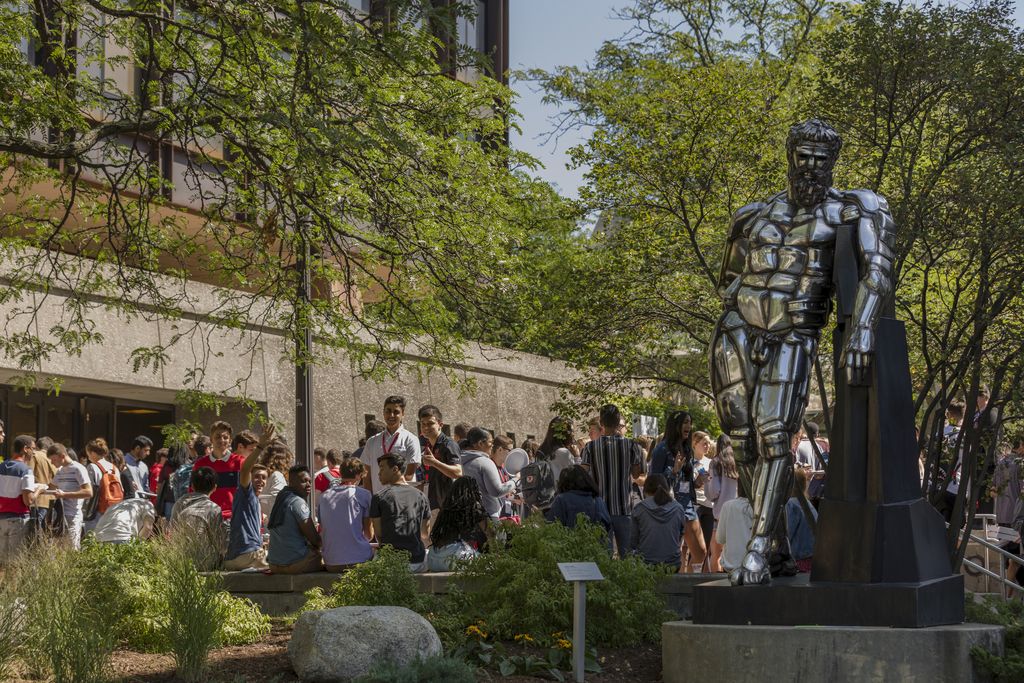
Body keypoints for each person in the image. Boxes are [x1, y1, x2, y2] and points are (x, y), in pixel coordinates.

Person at [580, 404, 645, 559]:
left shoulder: (590, 447)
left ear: (601, 422)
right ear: (618, 422)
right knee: (627, 555)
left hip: (600, 508)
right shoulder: (631, 445)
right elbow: (637, 475)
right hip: (624, 508)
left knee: (604, 555)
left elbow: (583, 474)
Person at [370, 452, 431, 572]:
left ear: (395, 469)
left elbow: (379, 535)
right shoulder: (421, 496)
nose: (378, 473)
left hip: (390, 563)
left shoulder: (378, 497)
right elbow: (425, 533)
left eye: (382, 468)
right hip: (417, 561)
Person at [224, 426, 275, 571]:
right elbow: (245, 469)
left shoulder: (255, 500)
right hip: (247, 555)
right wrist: (260, 447)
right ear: (249, 479)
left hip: (240, 557)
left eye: (264, 478)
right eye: (256, 477)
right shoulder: (246, 492)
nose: (260, 480)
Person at [319, 457, 373, 572]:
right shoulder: (364, 495)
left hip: (331, 562)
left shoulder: (324, 496)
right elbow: (369, 535)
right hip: (359, 560)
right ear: (358, 475)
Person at [360, 396, 421, 494]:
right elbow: (367, 476)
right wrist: (370, 500)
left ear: (403, 414)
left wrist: (394, 496)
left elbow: (409, 475)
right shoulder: (372, 441)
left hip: (402, 500)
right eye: (388, 411)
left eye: (396, 412)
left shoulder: (411, 439)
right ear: (383, 412)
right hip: (378, 499)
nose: (391, 415)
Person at [267, 464, 322, 574]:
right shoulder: (297, 502)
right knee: (321, 557)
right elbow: (314, 539)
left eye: (310, 481)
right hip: (294, 564)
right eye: (304, 481)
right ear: (291, 482)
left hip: (273, 565)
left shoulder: (281, 498)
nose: (308, 485)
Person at [171, 466, 227, 570]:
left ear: (192, 485)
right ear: (215, 487)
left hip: (180, 559)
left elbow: (173, 531)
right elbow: (218, 541)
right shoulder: (213, 508)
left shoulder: (179, 504)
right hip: (205, 562)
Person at [427, 476, 489, 571]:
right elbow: (491, 535)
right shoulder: (475, 508)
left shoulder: (445, 509)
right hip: (456, 558)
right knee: (492, 564)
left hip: (434, 559)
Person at [630, 474, 689, 571]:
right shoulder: (679, 508)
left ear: (645, 490)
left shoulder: (639, 509)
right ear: (667, 489)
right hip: (672, 565)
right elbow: (679, 536)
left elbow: (633, 542)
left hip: (646, 565)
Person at [418, 405, 462, 525]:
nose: (426, 427)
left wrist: (434, 462)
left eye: (430, 423)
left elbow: (458, 473)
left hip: (449, 507)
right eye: (423, 424)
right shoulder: (427, 446)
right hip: (432, 504)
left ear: (440, 424)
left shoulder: (449, 444)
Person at [460, 428, 517, 520]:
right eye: (491, 442)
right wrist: (516, 480)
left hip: (468, 517)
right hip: (488, 516)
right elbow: (497, 491)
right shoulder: (485, 462)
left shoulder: (459, 462)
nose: (492, 445)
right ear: (480, 444)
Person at [192, 421, 244, 519]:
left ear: (230, 440)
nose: (221, 440)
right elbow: (193, 492)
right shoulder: (200, 464)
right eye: (217, 437)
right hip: (207, 517)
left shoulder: (240, 462)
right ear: (211, 439)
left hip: (234, 517)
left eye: (225, 437)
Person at [0, 435, 38, 564]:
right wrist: (39, 490)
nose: (34, 452)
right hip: (18, 518)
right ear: (25, 449)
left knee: (3, 563)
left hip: (1, 518)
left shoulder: (2, 466)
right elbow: (28, 500)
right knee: (16, 563)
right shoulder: (26, 470)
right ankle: (13, 585)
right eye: (33, 449)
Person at [47, 443, 92, 550]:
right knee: (58, 551)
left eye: (54, 460)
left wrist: (64, 494)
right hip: (60, 516)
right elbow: (51, 487)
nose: (52, 463)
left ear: (62, 456)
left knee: (72, 550)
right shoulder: (60, 471)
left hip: (73, 516)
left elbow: (89, 492)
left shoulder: (78, 469)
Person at [706, 434, 739, 572]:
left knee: (717, 553)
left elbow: (714, 491)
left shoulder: (715, 462)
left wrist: (706, 485)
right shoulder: (739, 461)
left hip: (720, 514)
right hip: (738, 511)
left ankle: (717, 583)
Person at [548, 465, 611, 532]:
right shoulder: (598, 500)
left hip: (569, 541)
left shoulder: (562, 499)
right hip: (595, 541)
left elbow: (552, 527)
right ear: (587, 479)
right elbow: (607, 526)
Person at [84, 437, 125, 531]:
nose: (88, 457)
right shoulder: (114, 468)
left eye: (88, 454)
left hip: (97, 510)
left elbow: (89, 490)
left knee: (92, 540)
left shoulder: (92, 467)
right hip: (114, 508)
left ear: (93, 453)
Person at [786, 466, 818, 573]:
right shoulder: (807, 503)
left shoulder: (792, 505)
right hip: (811, 558)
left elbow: (787, 534)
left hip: (799, 560)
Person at [692, 430, 716, 562]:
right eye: (704, 443)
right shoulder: (689, 462)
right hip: (695, 505)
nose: (707, 446)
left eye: (708, 443)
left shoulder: (711, 462)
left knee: (706, 546)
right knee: (694, 547)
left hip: (709, 505)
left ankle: (702, 575)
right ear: (695, 444)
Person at [716, 495, 754, 574]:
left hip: (731, 567)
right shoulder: (761, 507)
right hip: (753, 567)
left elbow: (720, 539)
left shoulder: (727, 506)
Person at [538, 416, 577, 483]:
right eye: (571, 431)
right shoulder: (563, 452)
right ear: (565, 433)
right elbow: (575, 476)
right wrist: (577, 457)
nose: (573, 434)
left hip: (542, 491)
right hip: (559, 492)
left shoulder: (540, 451)